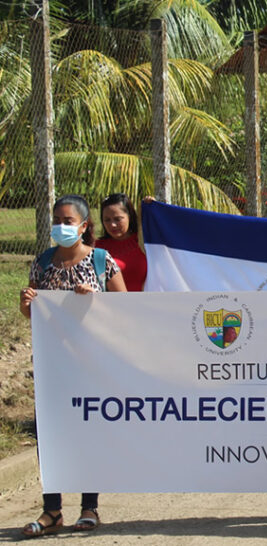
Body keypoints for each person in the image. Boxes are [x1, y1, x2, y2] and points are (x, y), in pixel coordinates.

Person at [20, 194, 127, 538]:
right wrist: (27, 304)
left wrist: (94, 302)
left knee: (88, 430)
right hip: (53, 366)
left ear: (83, 226)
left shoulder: (100, 261)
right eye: (57, 220)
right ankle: (52, 510)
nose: (61, 226)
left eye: (68, 221)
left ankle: (89, 507)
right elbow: (33, 315)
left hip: (90, 364)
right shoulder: (42, 263)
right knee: (50, 434)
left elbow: (125, 309)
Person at [95, 193, 147, 292]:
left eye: (117, 219)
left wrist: (152, 207)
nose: (112, 225)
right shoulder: (96, 249)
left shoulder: (145, 242)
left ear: (130, 216)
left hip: (146, 304)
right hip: (109, 306)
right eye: (107, 220)